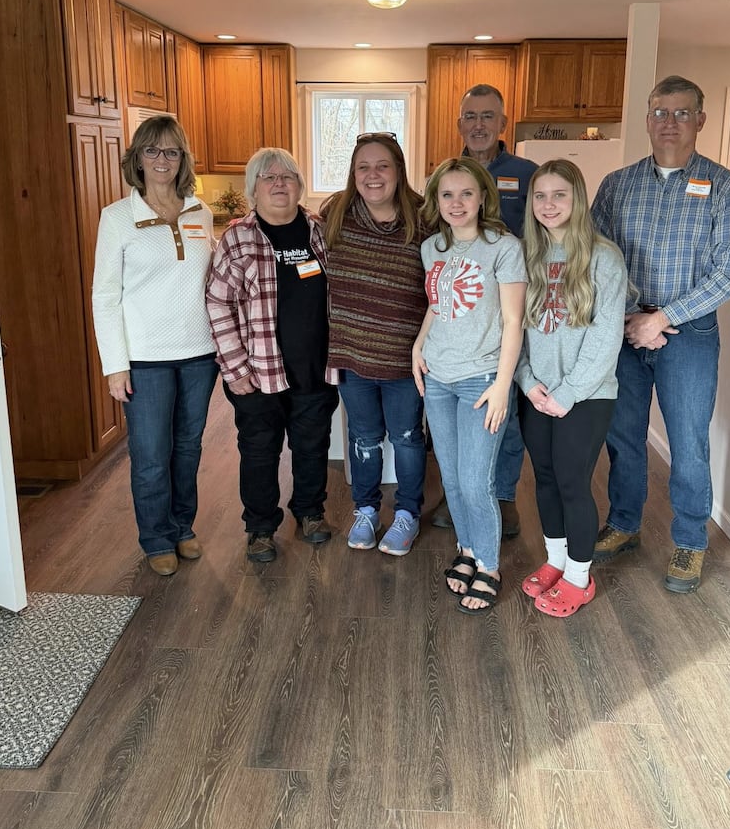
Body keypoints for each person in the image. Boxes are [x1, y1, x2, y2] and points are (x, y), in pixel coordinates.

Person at [591, 76, 730, 592]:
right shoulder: (617, 186)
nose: (669, 122)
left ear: (700, 121)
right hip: (623, 331)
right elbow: (595, 259)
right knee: (624, 437)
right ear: (647, 118)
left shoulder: (727, 188)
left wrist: (659, 320)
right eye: (660, 111)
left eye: (681, 113)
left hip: (690, 334)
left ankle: (689, 542)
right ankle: (623, 524)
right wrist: (628, 319)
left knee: (687, 442)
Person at [92, 115, 218, 576]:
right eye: (152, 151)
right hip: (145, 360)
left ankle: (182, 527)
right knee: (149, 455)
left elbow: (212, 281)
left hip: (200, 354)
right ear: (137, 159)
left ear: (182, 158)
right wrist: (114, 365)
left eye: (171, 151)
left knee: (188, 448)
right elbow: (104, 295)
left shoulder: (199, 212)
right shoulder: (117, 217)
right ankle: (156, 537)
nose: (161, 161)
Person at [206, 148, 339, 564]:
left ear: (300, 185)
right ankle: (261, 527)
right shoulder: (238, 237)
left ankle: (310, 512)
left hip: (315, 367)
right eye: (269, 177)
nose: (279, 183)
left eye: (288, 176)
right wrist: (234, 368)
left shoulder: (320, 231)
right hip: (257, 372)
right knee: (260, 450)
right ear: (253, 189)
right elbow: (217, 304)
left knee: (312, 445)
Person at [413, 157, 526, 613]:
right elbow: (437, 305)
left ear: (483, 197)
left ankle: (490, 565)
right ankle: (467, 549)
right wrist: (418, 345)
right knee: (452, 476)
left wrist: (503, 385)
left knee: (477, 479)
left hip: (481, 378)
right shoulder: (432, 249)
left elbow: (514, 321)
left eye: (465, 194)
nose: (456, 203)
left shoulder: (503, 247)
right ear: (435, 201)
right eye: (446, 195)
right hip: (437, 375)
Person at [516, 160, 627, 617]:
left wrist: (569, 391)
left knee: (571, 480)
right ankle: (557, 562)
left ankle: (580, 578)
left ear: (577, 199)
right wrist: (528, 382)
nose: (549, 204)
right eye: (540, 196)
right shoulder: (524, 255)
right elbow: (513, 330)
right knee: (543, 478)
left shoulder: (604, 257)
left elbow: (607, 336)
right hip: (537, 392)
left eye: (559, 194)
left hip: (588, 394)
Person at [431, 84, 537, 537]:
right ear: (459, 125)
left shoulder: (526, 173)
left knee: (505, 406)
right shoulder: (445, 175)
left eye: (488, 116)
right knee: (459, 411)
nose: (478, 124)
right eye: (470, 116)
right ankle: (463, 491)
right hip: (466, 313)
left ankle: (503, 494)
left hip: (515, 307)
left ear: (503, 124)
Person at [321, 132, 428, 555]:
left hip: (407, 359)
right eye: (363, 166)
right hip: (353, 355)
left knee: (405, 437)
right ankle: (365, 509)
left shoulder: (426, 219)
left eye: (382, 165)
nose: (373, 174)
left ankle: (407, 514)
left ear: (399, 170)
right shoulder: (335, 214)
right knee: (364, 438)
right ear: (353, 174)